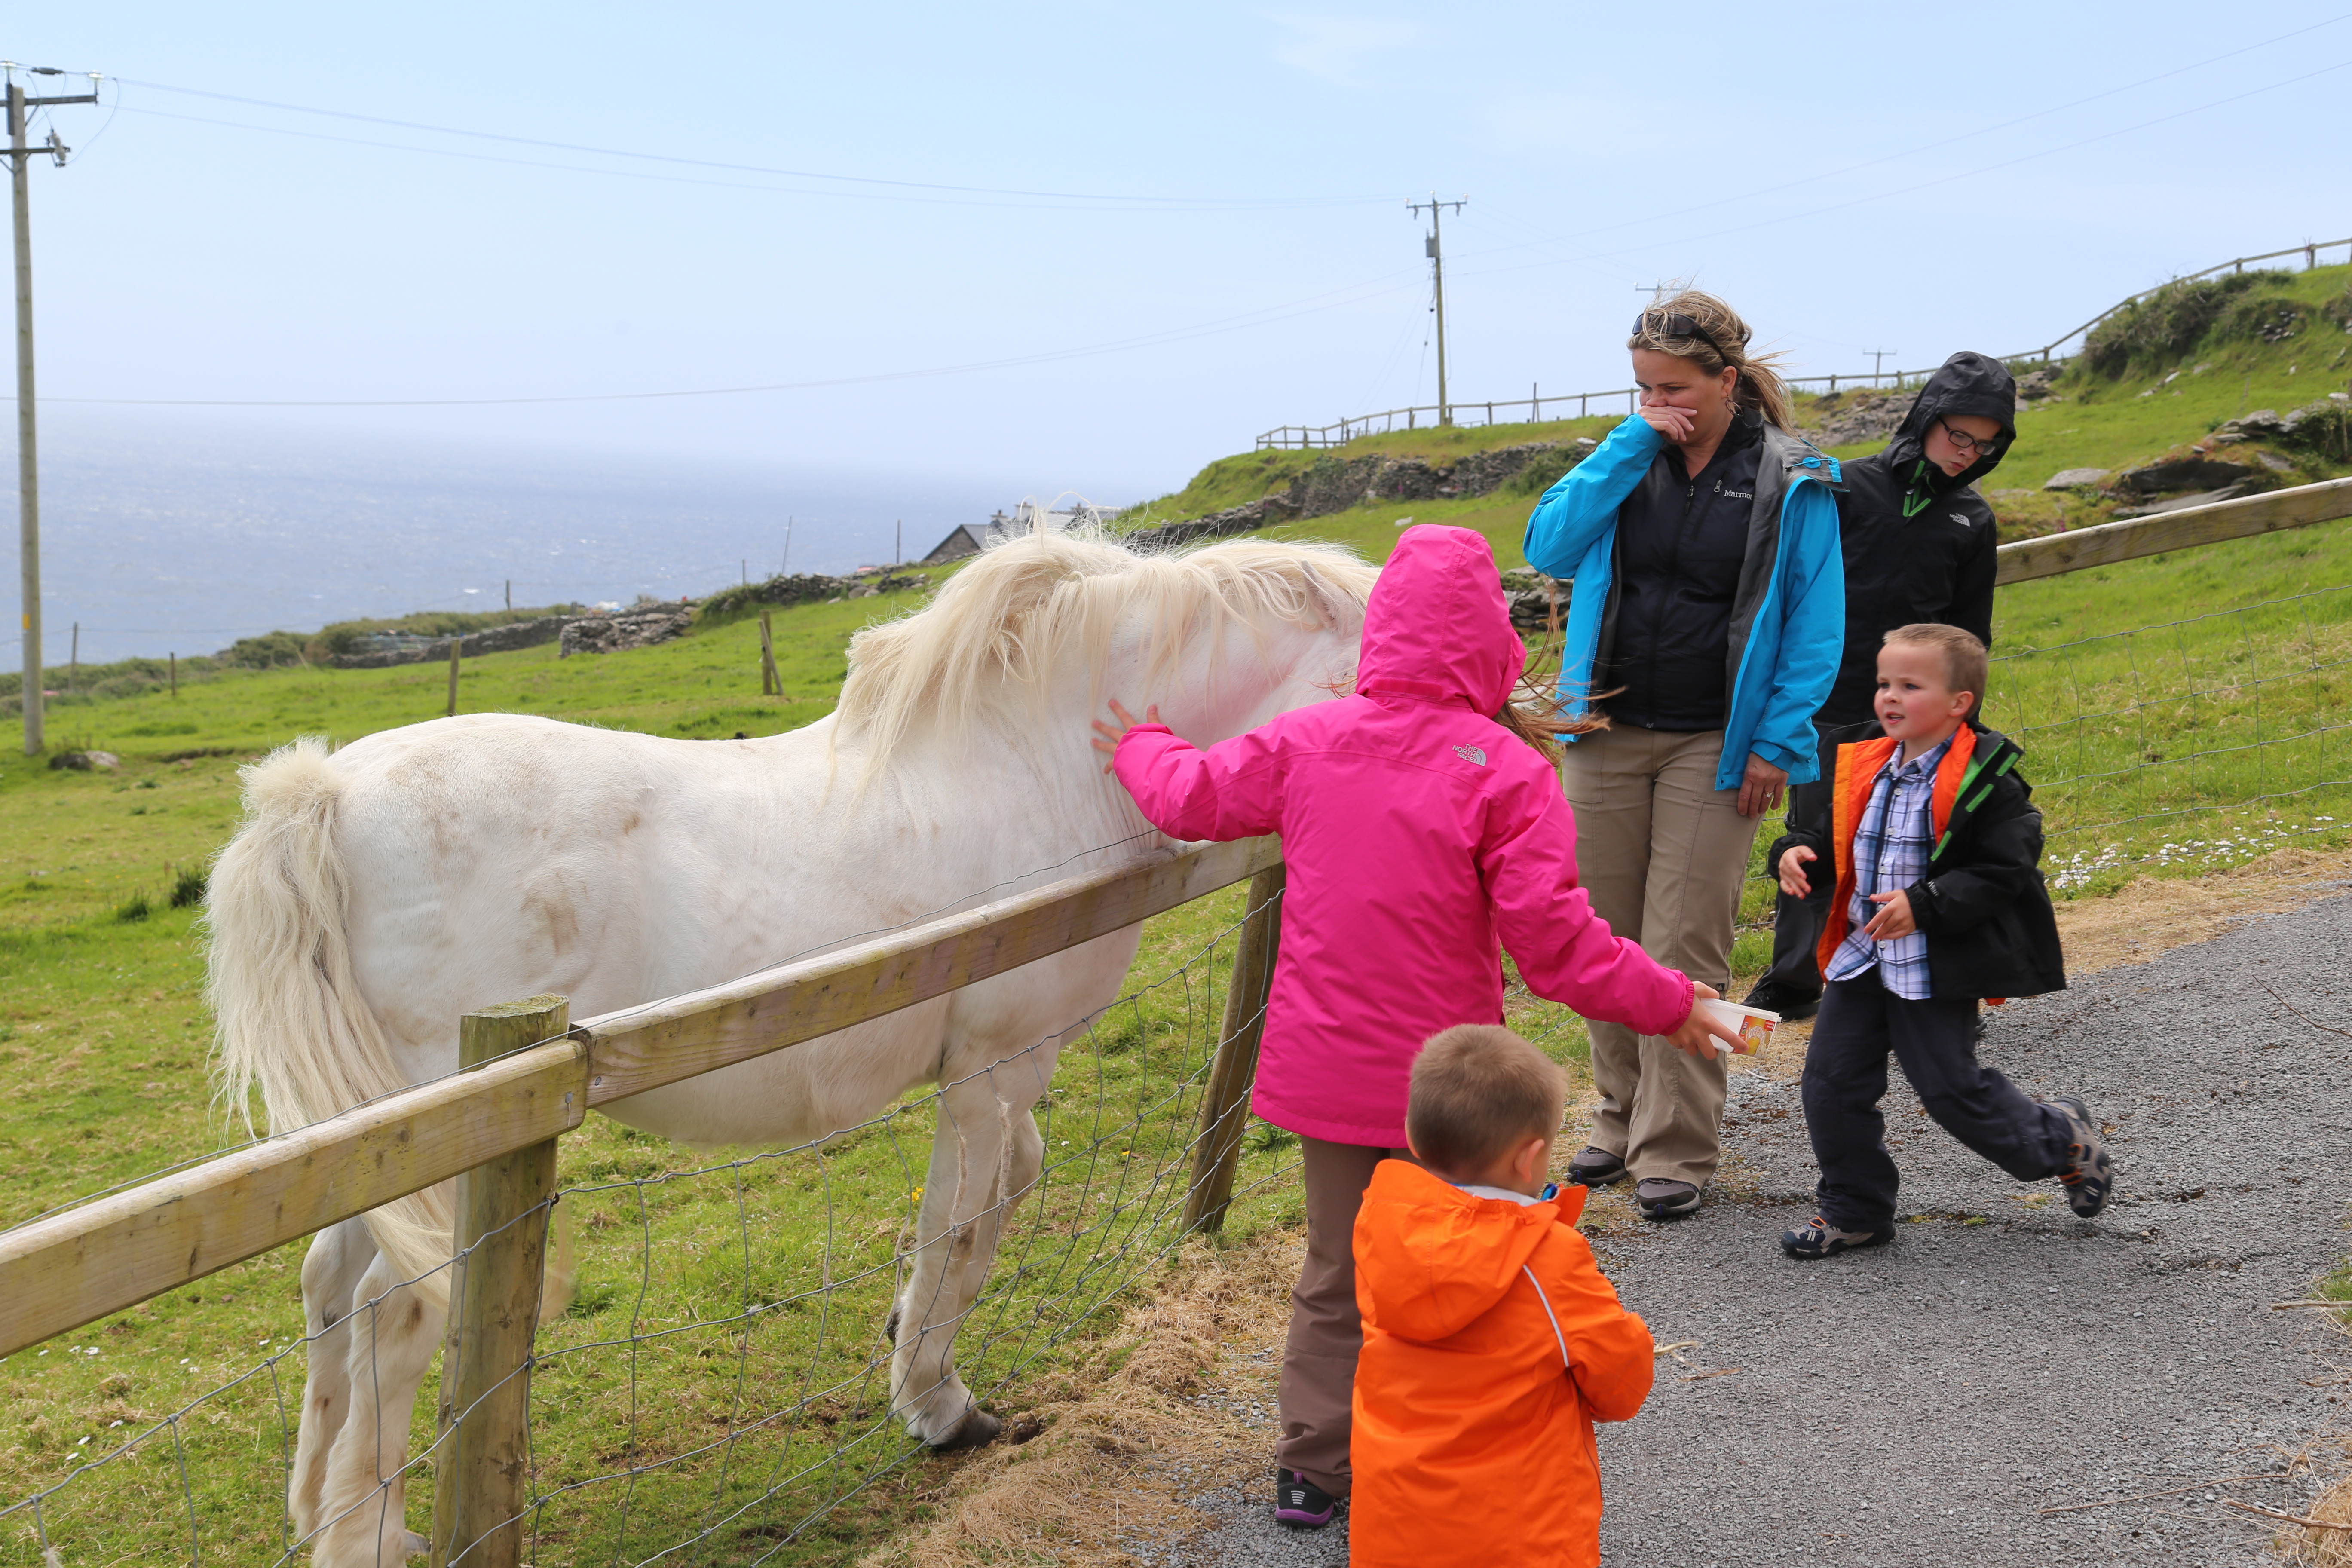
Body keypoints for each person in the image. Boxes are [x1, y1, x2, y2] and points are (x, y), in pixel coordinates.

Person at [1091, 524, 1740, 1527]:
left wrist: (1139, 741)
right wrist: (1673, 1000)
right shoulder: (1506, 772)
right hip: (1453, 1093)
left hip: (1326, 1077)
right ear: (1489, 640)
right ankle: (1449, 1459)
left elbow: (1189, 796)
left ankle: (1311, 1470)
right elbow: (1557, 949)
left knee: (1334, 1273)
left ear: (1380, 633)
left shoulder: (1307, 740)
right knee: (1463, 1269)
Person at [1522, 290, 1845, 1222]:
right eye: (1642, 389)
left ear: (1728, 381)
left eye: (1675, 388)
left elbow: (1816, 627)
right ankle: (1619, 1122)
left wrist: (1779, 744)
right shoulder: (1625, 457)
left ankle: (1681, 1145)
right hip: (1604, 731)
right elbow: (1549, 545)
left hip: (1719, 741)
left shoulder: (1795, 477)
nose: (1659, 403)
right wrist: (1633, 443)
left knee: (1684, 946)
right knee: (1603, 940)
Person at [1768, 623, 2111, 1259]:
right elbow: (1821, 832)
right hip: (1860, 957)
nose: (1888, 698)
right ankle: (1857, 1210)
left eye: (1909, 686)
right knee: (1830, 1087)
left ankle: (2059, 1138)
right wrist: (1794, 854)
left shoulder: (1988, 779)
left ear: (1960, 703)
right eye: (1883, 684)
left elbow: (2004, 871)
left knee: (1951, 1092)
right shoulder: (1862, 760)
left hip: (1932, 963)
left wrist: (1924, 905)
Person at [1745, 352, 2018, 1022]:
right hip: (1831, 701)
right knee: (1815, 839)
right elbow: (1793, 589)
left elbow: (1968, 633)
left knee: (1916, 842)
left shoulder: (1972, 521)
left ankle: (1921, 979)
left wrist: (1963, 725)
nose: (1967, 453)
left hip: (1919, 713)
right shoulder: (1844, 488)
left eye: (1985, 445)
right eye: (1959, 435)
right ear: (1927, 417)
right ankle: (1796, 979)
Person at [1349, 1024, 1653, 1568]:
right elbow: (1620, 1380)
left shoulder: (1383, 1226)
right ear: (1528, 1158)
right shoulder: (1547, 1257)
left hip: (1395, 1527)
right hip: (1520, 1534)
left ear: (1414, 1140)